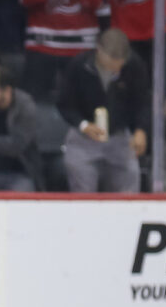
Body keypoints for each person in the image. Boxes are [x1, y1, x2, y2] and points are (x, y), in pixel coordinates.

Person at [57, 29, 149, 193]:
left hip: (120, 137)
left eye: (119, 66)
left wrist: (140, 129)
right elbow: (64, 104)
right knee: (83, 193)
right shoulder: (79, 65)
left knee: (130, 180)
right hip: (83, 139)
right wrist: (83, 125)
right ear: (99, 50)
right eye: (110, 65)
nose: (115, 71)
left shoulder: (134, 66)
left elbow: (142, 102)